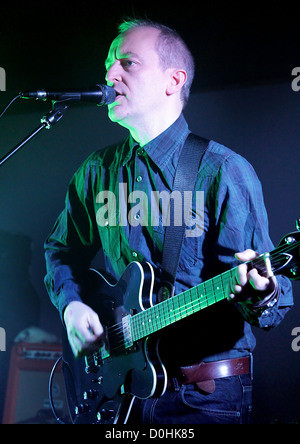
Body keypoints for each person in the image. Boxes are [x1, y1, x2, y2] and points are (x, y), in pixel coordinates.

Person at [44, 19, 293, 424]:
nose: (109, 75)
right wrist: (72, 304)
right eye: (108, 64)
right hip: (124, 390)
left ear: (173, 80)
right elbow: (61, 249)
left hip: (203, 396)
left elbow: (271, 306)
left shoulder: (222, 170)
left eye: (128, 63)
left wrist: (261, 289)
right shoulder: (97, 171)